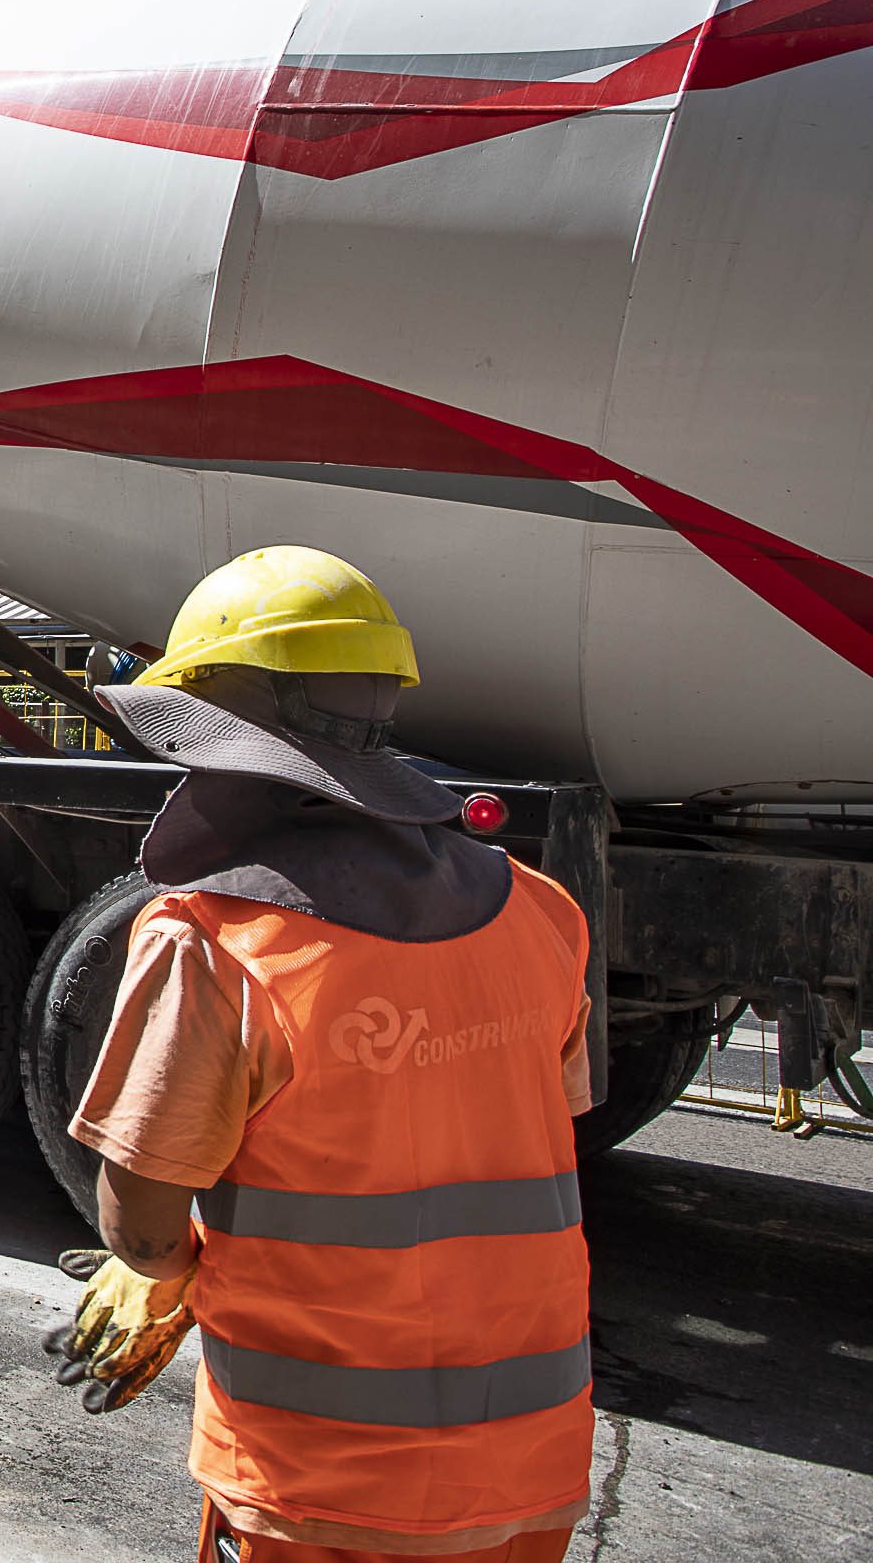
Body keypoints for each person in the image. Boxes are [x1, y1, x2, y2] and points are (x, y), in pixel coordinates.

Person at [46, 547, 596, 1563]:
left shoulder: (211, 942)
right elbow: (518, 1129)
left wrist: (162, 1271)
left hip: (319, 1489)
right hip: (532, 1470)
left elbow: (143, 1218)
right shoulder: (542, 912)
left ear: (220, 738)